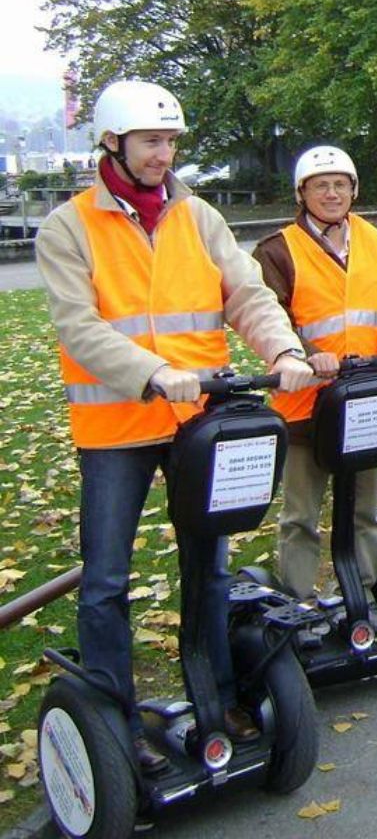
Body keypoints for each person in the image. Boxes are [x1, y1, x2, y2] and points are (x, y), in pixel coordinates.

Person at [35, 80, 317, 773]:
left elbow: (246, 291)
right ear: (113, 143)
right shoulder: (68, 227)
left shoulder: (198, 216)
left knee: (209, 567)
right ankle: (116, 722)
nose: (164, 155)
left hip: (199, 420)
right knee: (105, 578)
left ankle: (217, 698)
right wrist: (151, 372)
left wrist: (281, 350)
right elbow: (79, 323)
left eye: (170, 142)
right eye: (151, 142)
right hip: (117, 426)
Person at [252, 145, 377, 608]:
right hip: (305, 400)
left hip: (365, 395)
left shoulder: (374, 240)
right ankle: (299, 601)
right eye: (320, 185)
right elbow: (269, 316)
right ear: (302, 193)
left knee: (365, 507)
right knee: (301, 512)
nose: (331, 193)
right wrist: (306, 355)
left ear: (353, 190)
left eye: (340, 184)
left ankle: (360, 593)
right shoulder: (277, 249)